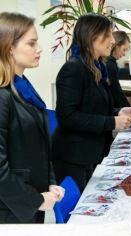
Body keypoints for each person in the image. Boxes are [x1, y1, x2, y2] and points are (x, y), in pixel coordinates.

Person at [52, 14, 131, 192]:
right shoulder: (74, 68)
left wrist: (118, 112)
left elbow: (94, 108)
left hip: (91, 151)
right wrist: (112, 122)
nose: (113, 40)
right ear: (92, 36)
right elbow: (67, 116)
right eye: (108, 35)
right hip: (74, 156)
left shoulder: (96, 67)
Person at [0, 12, 64, 223]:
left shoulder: (23, 86)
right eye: (31, 43)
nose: (39, 49)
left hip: (31, 198)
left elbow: (40, 145)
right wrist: (33, 200)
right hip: (10, 209)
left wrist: (49, 183)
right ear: (9, 48)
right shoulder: (2, 95)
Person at [106, 31, 131, 109]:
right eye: (124, 49)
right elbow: (116, 91)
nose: (124, 54)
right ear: (116, 46)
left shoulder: (110, 62)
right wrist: (129, 109)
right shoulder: (109, 64)